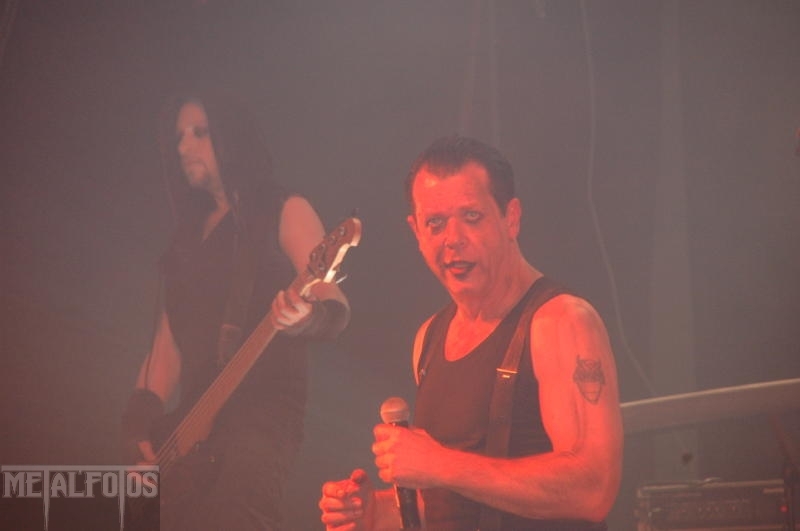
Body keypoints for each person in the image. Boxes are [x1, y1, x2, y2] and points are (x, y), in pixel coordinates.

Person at [319, 136, 622, 530]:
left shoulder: (562, 321)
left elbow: (593, 490)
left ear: (511, 218)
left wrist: (440, 464)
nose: (453, 239)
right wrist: (375, 512)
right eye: (435, 223)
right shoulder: (429, 337)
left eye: (472, 216)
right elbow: (448, 503)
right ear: (416, 231)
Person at [121, 90, 350, 531]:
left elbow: (333, 300)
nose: (184, 146)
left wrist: (307, 317)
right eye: (179, 137)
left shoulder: (285, 209)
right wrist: (139, 422)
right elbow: (167, 345)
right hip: (188, 429)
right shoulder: (186, 239)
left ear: (231, 136)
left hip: (260, 416)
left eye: (199, 132)